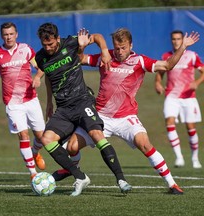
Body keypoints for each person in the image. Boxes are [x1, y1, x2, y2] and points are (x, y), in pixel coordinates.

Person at [52, 28, 200, 195]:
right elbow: (78, 59)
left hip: (126, 118)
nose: (120, 52)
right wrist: (82, 46)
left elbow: (167, 65)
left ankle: (172, 184)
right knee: (71, 147)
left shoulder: (140, 61)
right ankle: (74, 168)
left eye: (123, 47)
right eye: (117, 48)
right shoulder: (105, 57)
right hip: (100, 117)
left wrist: (183, 47)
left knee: (145, 144)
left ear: (131, 45)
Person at [34, 22, 131, 196]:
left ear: (57, 38)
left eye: (51, 44)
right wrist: (49, 102)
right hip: (63, 109)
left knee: (97, 135)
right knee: (46, 139)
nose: (48, 48)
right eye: (44, 45)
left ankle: (121, 179)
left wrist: (103, 52)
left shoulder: (71, 42)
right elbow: (49, 77)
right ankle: (80, 176)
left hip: (82, 102)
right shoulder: (40, 57)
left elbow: (99, 36)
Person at [0, 22, 46, 180]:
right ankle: (33, 173)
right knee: (23, 135)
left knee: (41, 137)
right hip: (12, 103)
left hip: (31, 99)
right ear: (1, 36)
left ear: (16, 34)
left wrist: (37, 78)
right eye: (5, 34)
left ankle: (35, 152)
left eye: (11, 34)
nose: (8, 37)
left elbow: (40, 67)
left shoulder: (26, 49)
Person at [155, 30, 204, 169]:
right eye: (174, 39)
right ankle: (179, 157)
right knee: (169, 122)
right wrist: (157, 83)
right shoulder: (166, 56)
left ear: (183, 40)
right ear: (171, 40)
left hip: (189, 98)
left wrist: (197, 83)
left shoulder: (192, 56)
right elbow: (160, 74)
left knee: (191, 128)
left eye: (178, 39)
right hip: (171, 96)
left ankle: (195, 159)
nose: (176, 41)